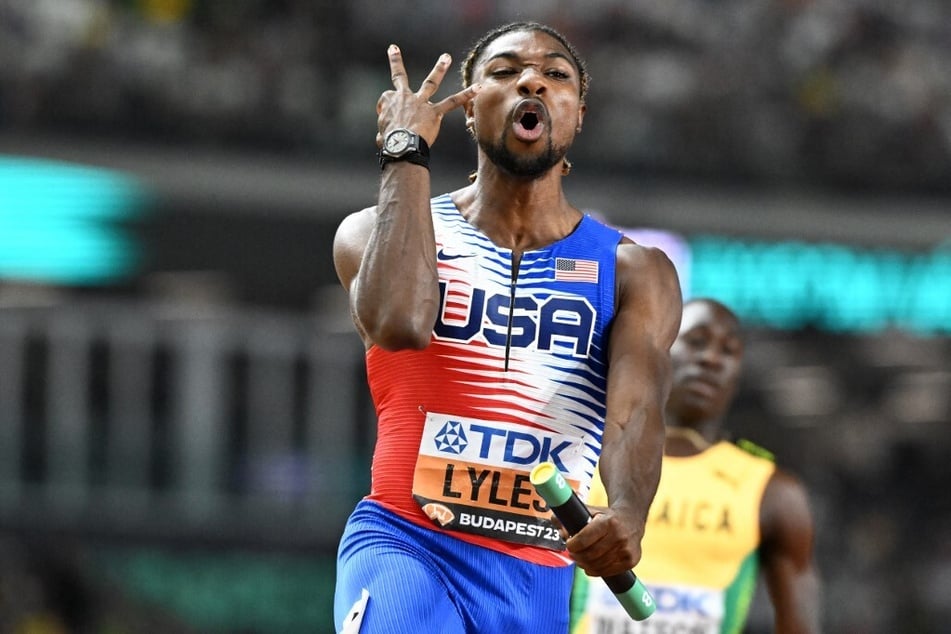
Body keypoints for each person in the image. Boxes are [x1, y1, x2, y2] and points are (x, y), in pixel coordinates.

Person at [331, 21, 683, 633]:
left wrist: (628, 511)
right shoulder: (376, 232)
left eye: (556, 75)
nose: (532, 82)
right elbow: (399, 323)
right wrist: (405, 154)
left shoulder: (633, 271)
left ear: (577, 115)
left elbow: (634, 413)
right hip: (407, 540)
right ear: (469, 110)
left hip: (539, 573)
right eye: (503, 72)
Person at [571, 298, 821, 633]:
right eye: (696, 341)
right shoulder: (586, 460)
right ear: (659, 348)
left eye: (729, 350)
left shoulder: (772, 492)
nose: (712, 359)